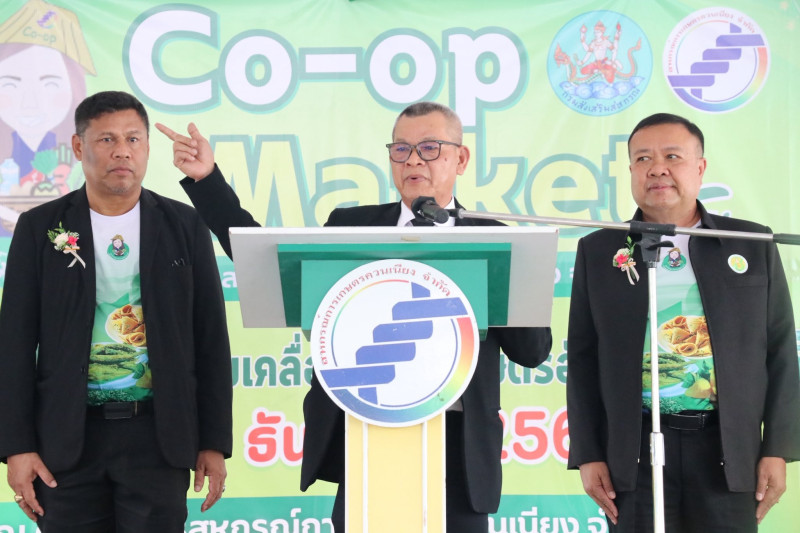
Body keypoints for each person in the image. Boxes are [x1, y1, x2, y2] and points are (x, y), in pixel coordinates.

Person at [156, 101, 552, 532]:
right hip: (365, 431)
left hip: (458, 446)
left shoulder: (491, 239)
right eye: (400, 149)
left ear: (461, 159)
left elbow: (532, 351)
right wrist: (207, 181)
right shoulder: (352, 227)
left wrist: (500, 274)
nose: (413, 160)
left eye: (429, 148)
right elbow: (265, 262)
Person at [0, 91, 233, 531]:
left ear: (146, 147)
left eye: (133, 139)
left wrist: (214, 441)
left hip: (159, 439)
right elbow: (13, 345)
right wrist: (17, 446)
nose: (122, 151)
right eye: (106, 139)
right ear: (78, 147)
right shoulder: (40, 227)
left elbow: (210, 339)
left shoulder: (184, 225)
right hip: (65, 443)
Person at [566, 112, 800, 532]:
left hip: (728, 450)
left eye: (672, 156)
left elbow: (781, 350)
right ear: (631, 170)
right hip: (633, 454)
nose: (657, 168)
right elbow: (582, 360)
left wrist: (777, 448)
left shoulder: (751, 243)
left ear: (700, 167)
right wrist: (588, 454)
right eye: (643, 159)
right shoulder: (599, 251)